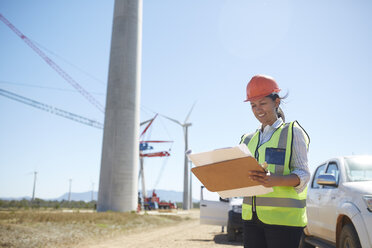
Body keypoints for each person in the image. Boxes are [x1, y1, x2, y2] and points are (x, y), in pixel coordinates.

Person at [240, 75, 310, 248]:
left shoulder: (292, 132)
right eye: (253, 106)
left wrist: (276, 180)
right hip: (251, 218)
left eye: (262, 103)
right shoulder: (247, 140)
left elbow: (303, 174)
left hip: (284, 221)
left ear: (276, 102)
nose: (258, 110)